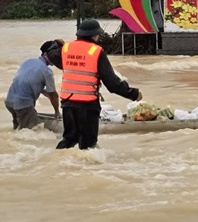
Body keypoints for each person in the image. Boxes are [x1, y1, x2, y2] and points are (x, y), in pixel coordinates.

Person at [56, 19, 142, 150]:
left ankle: (59, 163)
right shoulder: (96, 51)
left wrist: (55, 44)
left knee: (68, 140)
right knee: (87, 146)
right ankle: (89, 169)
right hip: (87, 105)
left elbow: (52, 57)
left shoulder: (66, 48)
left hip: (67, 103)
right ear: (94, 35)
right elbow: (112, 83)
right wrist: (133, 94)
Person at [4, 39, 64, 131]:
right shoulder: (47, 72)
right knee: (32, 131)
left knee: (18, 127)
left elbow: (27, 82)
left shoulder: (29, 61)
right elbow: (53, 95)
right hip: (23, 104)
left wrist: (48, 95)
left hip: (10, 101)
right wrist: (57, 112)